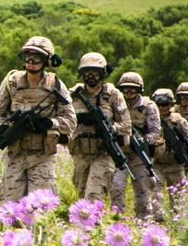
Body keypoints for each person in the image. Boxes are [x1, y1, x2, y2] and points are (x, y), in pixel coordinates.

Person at [0, 37, 76, 203]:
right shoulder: (11, 83)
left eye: (37, 57)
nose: (31, 61)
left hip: (42, 155)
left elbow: (70, 120)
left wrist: (49, 124)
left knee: (39, 210)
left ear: (47, 60)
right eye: (27, 55)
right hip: (15, 153)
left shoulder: (55, 85)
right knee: (10, 209)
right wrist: (2, 127)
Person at [68, 53, 131, 204]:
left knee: (94, 195)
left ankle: (95, 225)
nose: (90, 75)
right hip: (80, 154)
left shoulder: (113, 94)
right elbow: (63, 117)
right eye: (86, 71)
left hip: (102, 153)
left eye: (95, 71)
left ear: (102, 72)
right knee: (81, 198)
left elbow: (126, 125)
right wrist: (80, 118)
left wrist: (110, 128)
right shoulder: (73, 95)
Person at [110, 72, 161, 219]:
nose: (128, 92)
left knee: (142, 190)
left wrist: (141, 141)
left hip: (139, 155)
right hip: (120, 152)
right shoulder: (116, 103)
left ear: (139, 90)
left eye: (132, 89)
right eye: (125, 89)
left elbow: (155, 132)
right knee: (117, 186)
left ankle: (143, 223)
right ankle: (117, 219)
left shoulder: (148, 106)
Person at [151, 88, 188, 211]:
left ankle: (178, 227)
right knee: (156, 196)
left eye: (164, 105)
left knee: (178, 201)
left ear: (171, 105)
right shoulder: (151, 121)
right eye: (158, 105)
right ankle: (157, 223)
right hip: (157, 164)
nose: (161, 108)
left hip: (175, 164)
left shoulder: (178, 121)